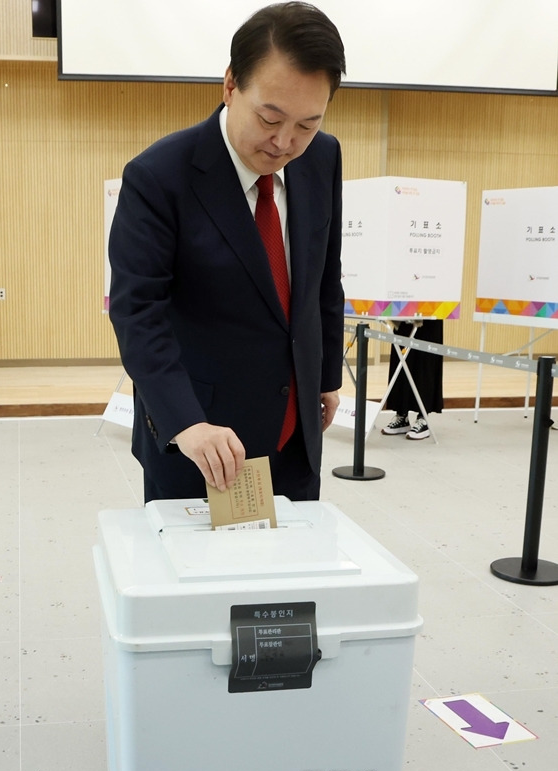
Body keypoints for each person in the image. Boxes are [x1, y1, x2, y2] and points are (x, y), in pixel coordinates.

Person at [108, 2, 346, 503]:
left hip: (296, 429)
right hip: (204, 442)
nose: (284, 142)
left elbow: (323, 276)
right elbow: (138, 313)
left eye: (307, 124)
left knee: (289, 572)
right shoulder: (159, 177)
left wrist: (323, 378)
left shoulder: (322, 157)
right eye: (270, 117)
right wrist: (186, 422)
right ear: (230, 84)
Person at [381, 319, 443, 440]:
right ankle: (401, 415)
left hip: (430, 311)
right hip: (404, 309)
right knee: (400, 359)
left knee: (424, 362)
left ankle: (423, 418)